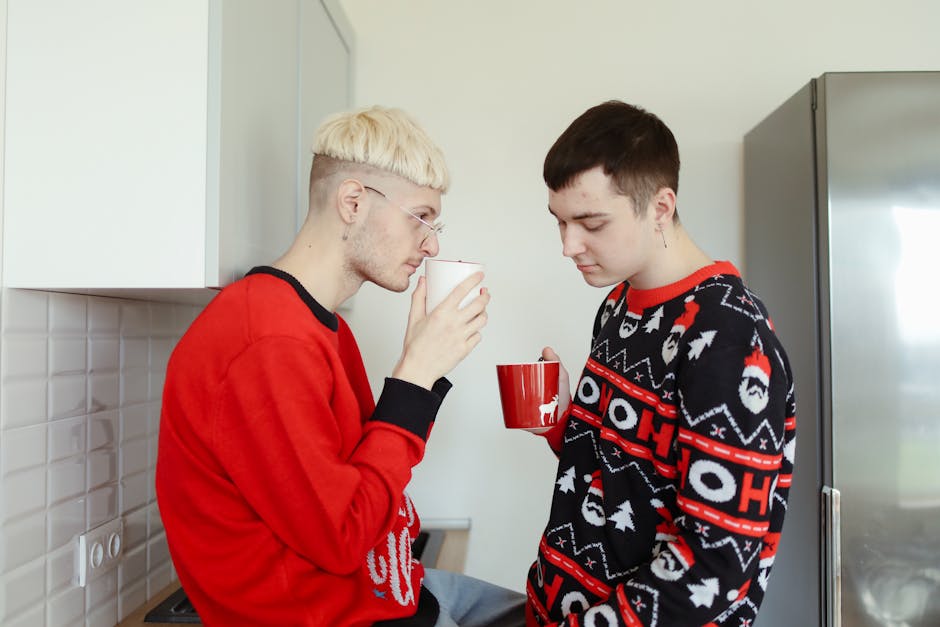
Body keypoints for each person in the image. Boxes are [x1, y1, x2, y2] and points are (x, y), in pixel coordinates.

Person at [156, 106, 526, 627]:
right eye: (420, 217)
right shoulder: (267, 341)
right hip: (340, 618)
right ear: (352, 202)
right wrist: (413, 378)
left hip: (392, 593)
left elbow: (359, 481)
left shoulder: (321, 326)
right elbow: (341, 537)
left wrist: (418, 372)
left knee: (562, 608)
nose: (433, 243)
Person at [525, 101, 796, 626]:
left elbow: (715, 566)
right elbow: (632, 471)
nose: (568, 246)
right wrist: (567, 425)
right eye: (560, 223)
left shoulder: (728, 335)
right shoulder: (619, 305)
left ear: (660, 207)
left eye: (590, 223)